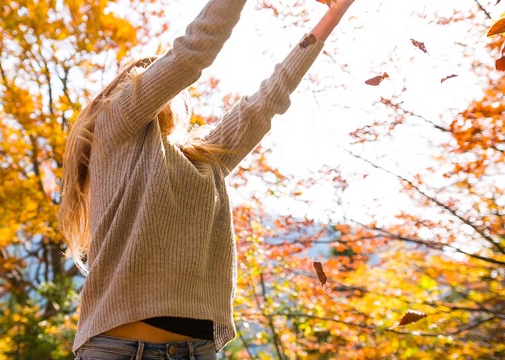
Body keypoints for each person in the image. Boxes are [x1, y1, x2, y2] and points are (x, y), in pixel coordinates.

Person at [58, 0, 357, 358]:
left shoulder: (205, 160)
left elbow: (268, 99)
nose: (161, 83)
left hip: (196, 351)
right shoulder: (115, 127)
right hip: (119, 350)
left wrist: (332, 16)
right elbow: (192, 52)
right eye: (150, 78)